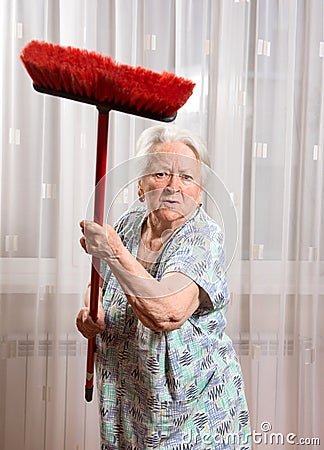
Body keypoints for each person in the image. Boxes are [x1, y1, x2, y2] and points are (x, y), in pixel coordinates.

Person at [76, 125, 251, 449]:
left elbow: (166, 313)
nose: (174, 187)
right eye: (160, 174)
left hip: (191, 413)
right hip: (130, 402)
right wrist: (90, 310)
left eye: (187, 177)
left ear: (200, 190)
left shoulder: (203, 238)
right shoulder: (131, 221)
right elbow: (100, 285)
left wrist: (113, 250)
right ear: (140, 186)